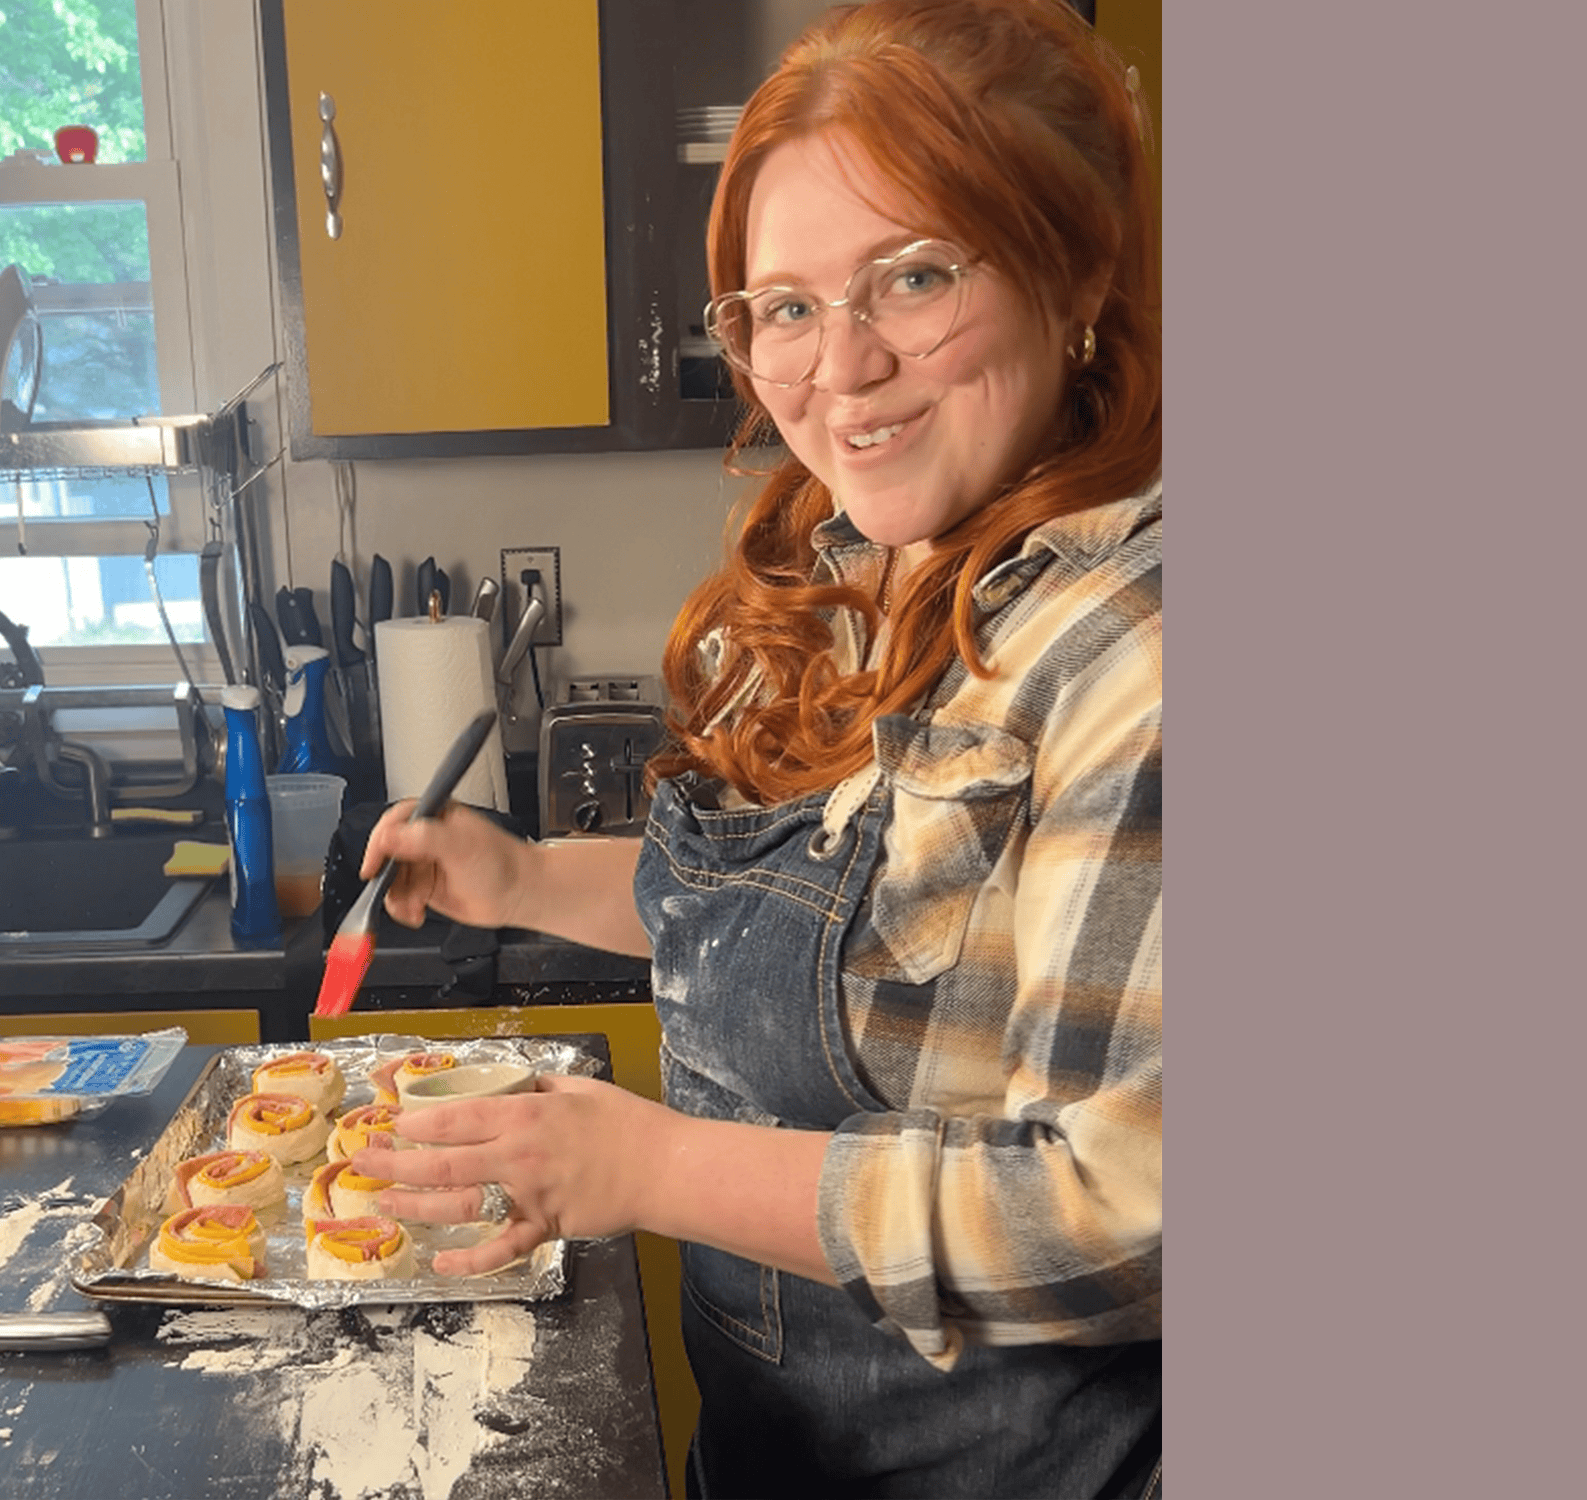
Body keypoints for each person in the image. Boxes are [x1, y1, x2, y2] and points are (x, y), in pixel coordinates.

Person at [349, 1, 1161, 1494]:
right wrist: (525, 876)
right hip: (779, 1448)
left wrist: (648, 1167)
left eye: (913, 276)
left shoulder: (1133, 653)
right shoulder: (856, 570)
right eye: (782, 306)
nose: (837, 369)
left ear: (1077, 268)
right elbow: (801, 930)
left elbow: (1129, 1217)